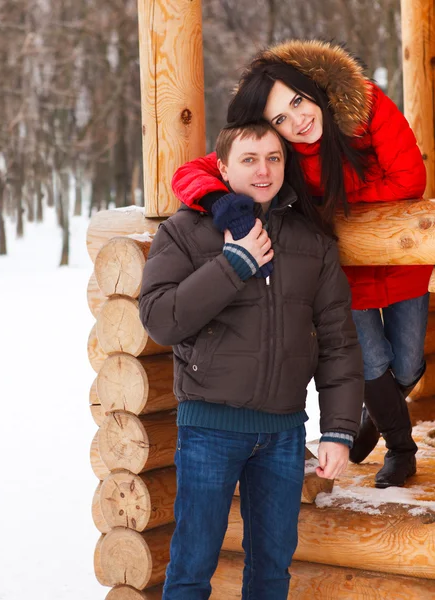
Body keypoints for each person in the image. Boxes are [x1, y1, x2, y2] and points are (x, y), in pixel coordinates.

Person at [171, 39, 431, 489]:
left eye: (297, 101)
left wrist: (328, 208)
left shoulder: (363, 105)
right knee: (372, 364)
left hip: (400, 262)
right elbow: (190, 172)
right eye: (280, 119)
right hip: (344, 275)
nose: (298, 120)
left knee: (407, 368)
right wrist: (219, 200)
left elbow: (409, 178)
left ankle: (373, 419)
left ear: (313, 89)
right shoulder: (281, 151)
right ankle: (402, 449)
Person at [139, 121, 363, 600]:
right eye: (248, 159)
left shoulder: (313, 242)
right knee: (192, 567)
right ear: (222, 167)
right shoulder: (183, 233)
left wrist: (339, 429)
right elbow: (159, 319)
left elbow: (338, 340)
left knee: (271, 571)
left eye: (274, 158)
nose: (263, 170)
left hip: (283, 434)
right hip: (209, 430)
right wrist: (233, 265)